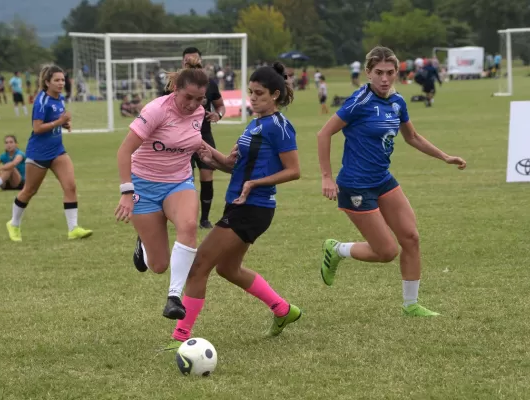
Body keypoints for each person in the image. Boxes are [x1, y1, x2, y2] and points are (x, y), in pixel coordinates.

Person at [316, 46, 467, 317]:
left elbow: (413, 137)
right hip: (356, 185)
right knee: (386, 252)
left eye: (389, 73)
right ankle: (336, 249)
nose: (384, 79)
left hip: (383, 180)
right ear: (368, 73)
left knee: (411, 237)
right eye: (378, 73)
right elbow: (323, 134)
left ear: (397, 72)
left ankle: (411, 305)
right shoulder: (358, 102)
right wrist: (326, 177)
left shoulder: (397, 102)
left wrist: (444, 156)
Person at [164, 62, 302, 350]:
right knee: (228, 269)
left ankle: (180, 336)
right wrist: (206, 149)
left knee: (197, 267)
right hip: (239, 204)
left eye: (259, 93)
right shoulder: (253, 125)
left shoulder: (279, 126)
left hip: (253, 207)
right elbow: (233, 166)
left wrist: (255, 184)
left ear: (275, 95)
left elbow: (294, 170)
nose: (252, 98)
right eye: (250, 92)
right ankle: (283, 310)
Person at [115, 57, 210, 320]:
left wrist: (221, 159)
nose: (193, 105)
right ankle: (143, 244)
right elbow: (124, 151)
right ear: (176, 89)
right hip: (143, 184)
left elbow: (193, 141)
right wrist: (126, 192)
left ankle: (174, 298)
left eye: (199, 100)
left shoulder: (199, 114)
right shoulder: (156, 110)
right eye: (188, 97)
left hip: (179, 181)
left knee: (189, 226)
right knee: (158, 265)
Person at [5, 64, 92, 242]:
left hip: (57, 151)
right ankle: (13, 223)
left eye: (62, 80)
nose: (61, 83)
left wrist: (64, 124)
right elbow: (37, 128)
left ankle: (73, 229)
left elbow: (55, 122)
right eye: (57, 80)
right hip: (38, 153)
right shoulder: (41, 101)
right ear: (47, 82)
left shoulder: (60, 99)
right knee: (29, 190)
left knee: (71, 187)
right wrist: (59, 121)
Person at [165, 47, 226, 229]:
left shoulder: (209, 84)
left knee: (207, 176)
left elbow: (220, 106)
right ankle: (183, 217)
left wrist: (218, 115)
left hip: (204, 136)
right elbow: (163, 108)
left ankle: (204, 219)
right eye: (187, 60)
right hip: (181, 138)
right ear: (182, 62)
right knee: (186, 179)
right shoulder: (174, 85)